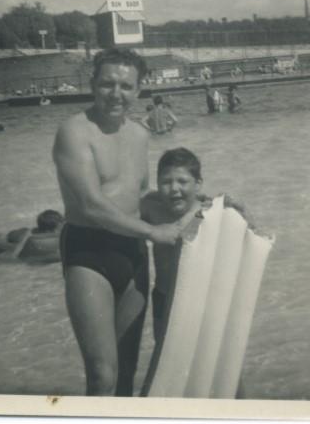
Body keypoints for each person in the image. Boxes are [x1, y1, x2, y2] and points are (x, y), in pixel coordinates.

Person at [53, 47, 181, 396]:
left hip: (132, 250)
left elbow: (140, 195)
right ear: (92, 84)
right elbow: (92, 206)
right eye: (107, 84)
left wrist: (202, 206)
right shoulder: (74, 132)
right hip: (89, 251)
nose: (116, 94)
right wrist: (155, 232)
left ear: (138, 90)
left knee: (127, 374)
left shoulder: (139, 135)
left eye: (126, 86)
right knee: (101, 375)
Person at [140, 147, 248, 342]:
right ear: (157, 185)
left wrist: (239, 209)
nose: (174, 188)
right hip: (165, 296)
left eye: (182, 181)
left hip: (201, 297)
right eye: (166, 182)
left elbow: (250, 237)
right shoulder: (152, 209)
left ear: (198, 184)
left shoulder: (209, 211)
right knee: (164, 352)